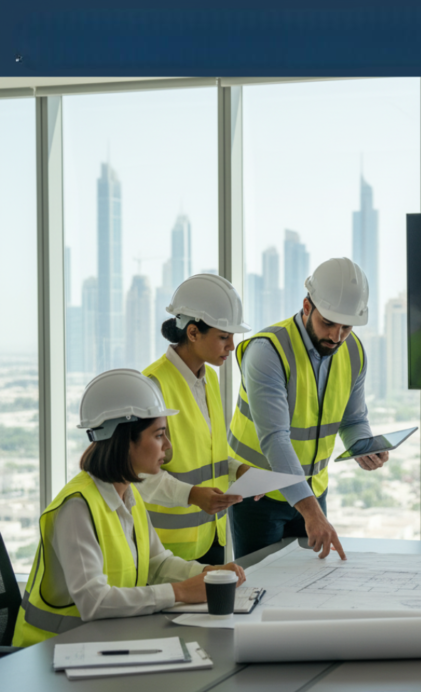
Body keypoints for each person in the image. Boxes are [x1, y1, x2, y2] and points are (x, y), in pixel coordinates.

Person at [13, 370, 245, 647]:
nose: (168, 446)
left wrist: (209, 574)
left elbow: (157, 564)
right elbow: (94, 601)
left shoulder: (128, 494)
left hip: (103, 644)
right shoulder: (77, 507)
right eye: (159, 435)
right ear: (125, 441)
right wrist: (180, 591)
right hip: (50, 653)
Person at [228, 257, 388, 560]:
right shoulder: (267, 351)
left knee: (311, 582)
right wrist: (312, 512)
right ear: (306, 306)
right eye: (328, 323)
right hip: (258, 495)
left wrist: (363, 446)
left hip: (312, 491)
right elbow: (275, 438)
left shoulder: (353, 351)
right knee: (260, 583)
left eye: (346, 327)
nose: (336, 337)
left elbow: (353, 419)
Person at [141, 273, 259, 565]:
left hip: (211, 536)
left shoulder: (210, 381)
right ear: (193, 333)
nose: (231, 346)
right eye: (223, 337)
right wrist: (192, 495)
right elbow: (140, 476)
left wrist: (238, 470)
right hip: (166, 550)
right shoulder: (153, 386)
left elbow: (207, 456)